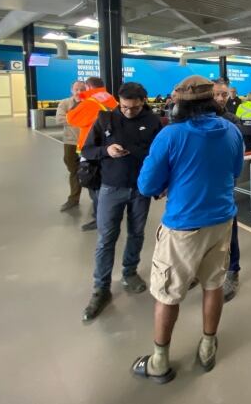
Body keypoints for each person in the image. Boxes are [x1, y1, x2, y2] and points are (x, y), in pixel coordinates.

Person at [133, 76, 244, 384]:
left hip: (183, 226)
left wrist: (171, 181)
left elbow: (147, 185)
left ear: (180, 104)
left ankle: (159, 362)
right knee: (213, 284)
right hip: (222, 220)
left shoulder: (171, 135)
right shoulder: (232, 131)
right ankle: (208, 347)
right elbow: (235, 172)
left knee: (168, 293)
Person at [81, 82, 162, 321]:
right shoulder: (105, 120)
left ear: (144, 102)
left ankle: (130, 271)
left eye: (134, 108)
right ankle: (101, 287)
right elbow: (87, 150)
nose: (128, 112)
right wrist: (107, 151)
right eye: (124, 107)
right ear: (119, 100)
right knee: (106, 238)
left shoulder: (154, 122)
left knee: (137, 233)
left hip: (140, 189)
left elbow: (159, 155)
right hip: (110, 187)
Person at [67, 76, 118, 231]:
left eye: (83, 89)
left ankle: (99, 218)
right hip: (108, 147)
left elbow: (72, 119)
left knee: (93, 185)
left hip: (91, 149)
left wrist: (79, 99)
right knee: (104, 184)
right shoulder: (110, 98)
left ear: (89, 87)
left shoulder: (90, 102)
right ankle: (109, 214)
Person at [212, 78, 244, 302]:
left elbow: (236, 158)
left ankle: (233, 270)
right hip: (200, 184)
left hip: (223, 183)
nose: (221, 98)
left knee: (229, 227)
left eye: (224, 94)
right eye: (216, 94)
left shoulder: (232, 121)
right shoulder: (194, 119)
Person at [56, 80, 86, 212]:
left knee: (92, 171)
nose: (79, 92)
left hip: (87, 142)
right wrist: (82, 119)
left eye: (82, 89)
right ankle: (74, 199)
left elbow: (95, 120)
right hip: (71, 142)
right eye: (77, 89)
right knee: (73, 169)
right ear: (71, 90)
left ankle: (97, 201)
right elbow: (59, 119)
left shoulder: (90, 104)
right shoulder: (65, 103)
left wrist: (71, 117)